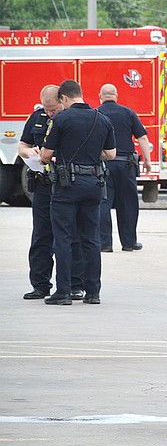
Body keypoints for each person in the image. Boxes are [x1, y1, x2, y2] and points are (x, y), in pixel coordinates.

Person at [40, 80, 116, 305]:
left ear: (63, 98)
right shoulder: (102, 119)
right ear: (81, 94)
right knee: (91, 239)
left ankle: (63, 292)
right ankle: (93, 292)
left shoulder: (61, 119)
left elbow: (46, 155)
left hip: (67, 186)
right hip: (94, 185)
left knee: (63, 238)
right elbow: (110, 154)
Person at [18, 85, 85, 301]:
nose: (49, 114)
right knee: (41, 235)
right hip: (43, 184)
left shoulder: (71, 119)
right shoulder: (37, 117)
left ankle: (75, 284)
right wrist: (30, 152)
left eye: (53, 109)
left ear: (63, 101)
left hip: (66, 185)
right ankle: (40, 284)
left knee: (70, 236)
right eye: (46, 109)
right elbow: (23, 146)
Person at [97, 83, 153, 252]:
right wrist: (148, 161)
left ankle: (105, 243)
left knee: (103, 203)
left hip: (104, 165)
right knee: (128, 204)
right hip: (126, 165)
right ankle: (129, 243)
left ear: (101, 96)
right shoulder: (128, 113)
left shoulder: (96, 114)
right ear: (116, 95)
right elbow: (142, 138)